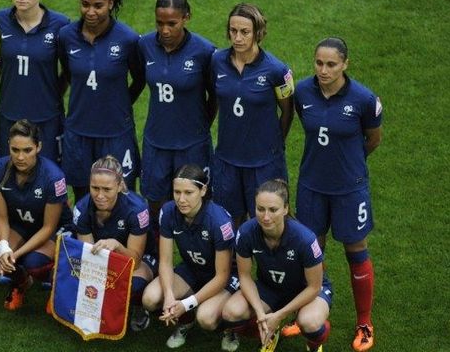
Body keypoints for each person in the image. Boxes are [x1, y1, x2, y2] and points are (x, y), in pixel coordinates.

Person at [293, 37, 382, 351]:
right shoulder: (302, 91)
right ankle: (312, 304)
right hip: (312, 186)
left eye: (331, 64)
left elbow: (372, 139)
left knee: (355, 250)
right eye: (319, 63)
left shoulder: (364, 99)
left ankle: (364, 323)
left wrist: (348, 164)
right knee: (311, 249)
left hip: (349, 189)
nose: (323, 70)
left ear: (345, 64)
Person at [58, 0, 145, 202]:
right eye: (85, 4)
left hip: (115, 132)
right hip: (78, 130)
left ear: (111, 3)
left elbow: (140, 78)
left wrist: (122, 102)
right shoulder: (66, 36)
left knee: (124, 195)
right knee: (83, 195)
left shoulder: (127, 39)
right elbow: (68, 72)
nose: (91, 12)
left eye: (98, 5)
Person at [138, 0, 216, 237]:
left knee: (197, 204)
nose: (165, 30)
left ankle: (203, 252)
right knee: (154, 202)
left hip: (191, 144)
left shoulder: (204, 52)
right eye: (160, 23)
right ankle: (155, 252)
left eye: (172, 23)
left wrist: (200, 126)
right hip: (156, 141)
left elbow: (214, 96)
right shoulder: (145, 45)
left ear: (186, 17)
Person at [221, 180, 332, 352]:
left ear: (286, 209)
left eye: (273, 210)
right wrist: (260, 313)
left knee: (310, 322)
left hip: (305, 290)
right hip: (270, 287)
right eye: (260, 209)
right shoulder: (246, 232)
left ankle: (314, 345)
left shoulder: (305, 239)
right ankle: (272, 333)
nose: (265, 217)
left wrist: (279, 315)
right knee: (231, 313)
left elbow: (314, 287)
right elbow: (244, 276)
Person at [211, 3, 294, 228]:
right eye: (233, 31)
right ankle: (233, 264)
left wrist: (275, 145)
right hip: (227, 159)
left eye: (244, 32)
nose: (237, 37)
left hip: (264, 162)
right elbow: (213, 98)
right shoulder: (217, 61)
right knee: (228, 221)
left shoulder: (277, 70)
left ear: (257, 32)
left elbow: (287, 111)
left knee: (268, 222)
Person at [141, 165, 239, 349]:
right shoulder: (168, 211)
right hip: (193, 268)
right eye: (177, 192)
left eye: (188, 192)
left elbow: (221, 276)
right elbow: (166, 261)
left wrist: (187, 303)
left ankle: (229, 328)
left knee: (206, 318)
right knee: (150, 298)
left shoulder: (219, 222)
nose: (181, 199)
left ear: (203, 190)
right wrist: (170, 296)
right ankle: (186, 321)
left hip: (223, 277)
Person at [0, 119, 71, 310]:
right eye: (15, 150)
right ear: (9, 146)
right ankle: (21, 282)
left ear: (38, 147)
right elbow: (1, 216)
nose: (20, 157)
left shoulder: (53, 177)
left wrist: (15, 254)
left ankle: (57, 285)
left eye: (27, 150)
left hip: (52, 229)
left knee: (34, 262)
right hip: (22, 225)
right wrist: (5, 248)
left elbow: (48, 228)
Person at [0, 0, 70, 162]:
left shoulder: (60, 25)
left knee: (49, 176)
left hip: (46, 116)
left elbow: (69, 70)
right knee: (6, 174)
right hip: (9, 113)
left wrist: (53, 93)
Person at [73, 155, 157, 331]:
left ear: (119, 186)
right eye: (95, 188)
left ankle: (138, 307)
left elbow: (134, 263)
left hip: (138, 259)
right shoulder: (81, 208)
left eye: (107, 189)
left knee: (133, 286)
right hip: (100, 258)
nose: (100, 195)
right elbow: (89, 258)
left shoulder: (137, 209)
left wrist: (117, 246)